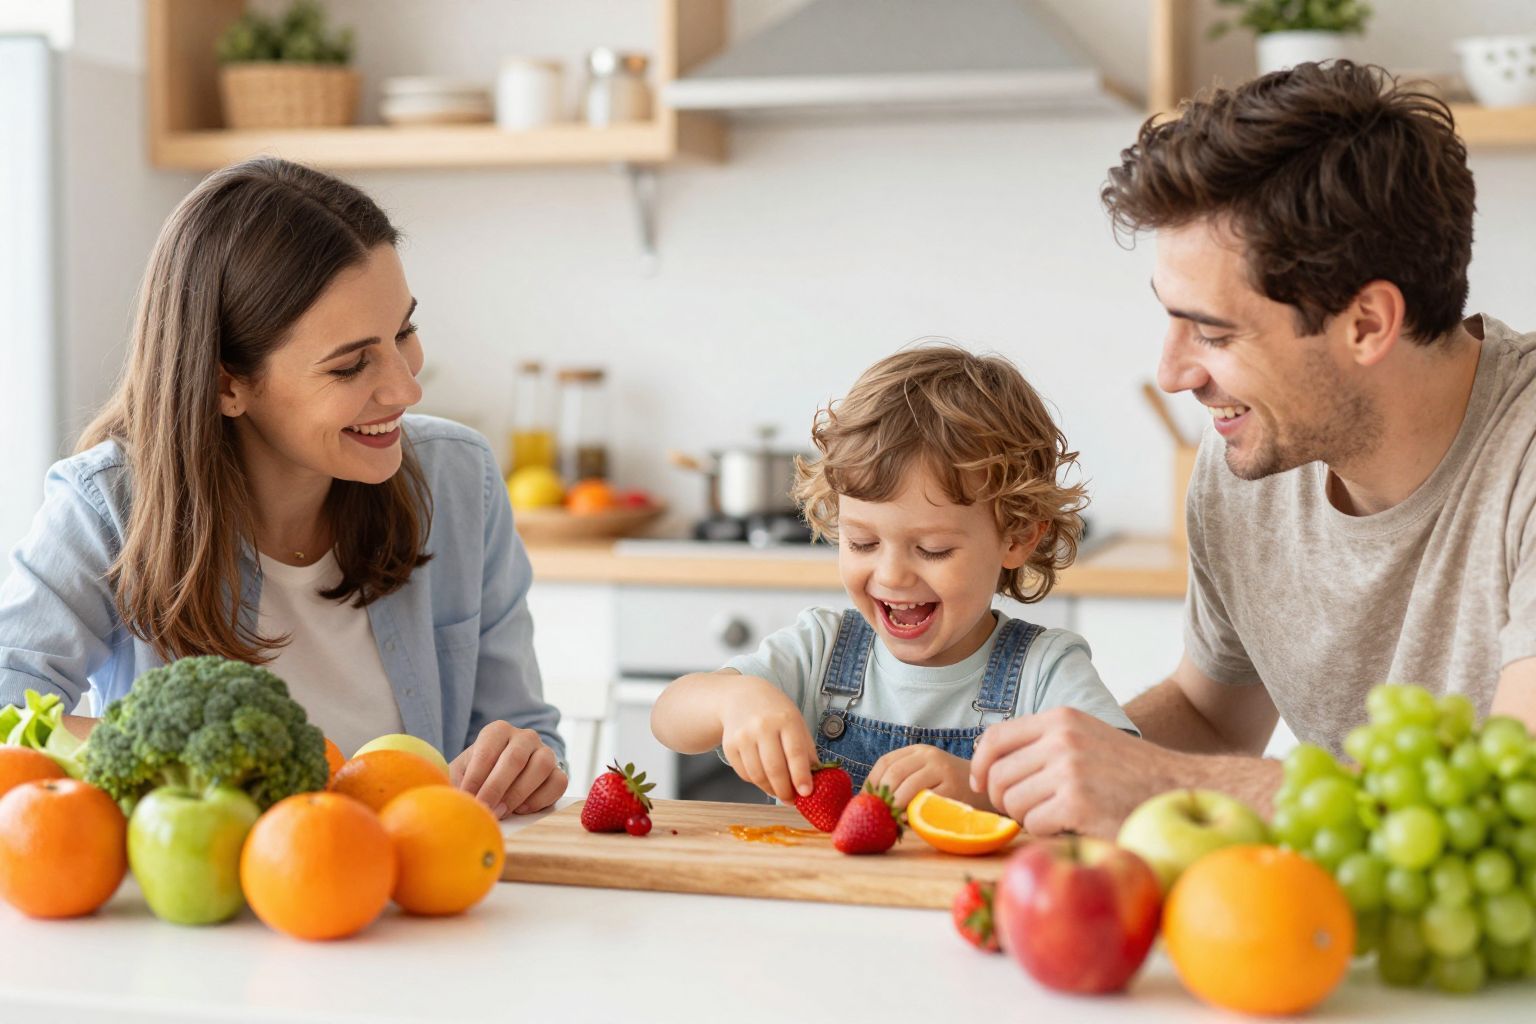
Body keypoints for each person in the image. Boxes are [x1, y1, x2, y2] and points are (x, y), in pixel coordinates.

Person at [971, 61, 1536, 838]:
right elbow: (1212, 718)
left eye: (1212, 331)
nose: (1172, 373)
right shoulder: (1250, 464)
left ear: (1367, 323)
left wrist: (1156, 783)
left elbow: (1511, 806)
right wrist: (1007, 777)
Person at [0, 157, 568, 818]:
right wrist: (173, 753)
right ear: (226, 384)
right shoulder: (109, 506)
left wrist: (526, 763)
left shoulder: (458, 480)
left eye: (404, 333)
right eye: (352, 363)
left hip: (415, 902)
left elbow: (531, 742)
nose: (407, 389)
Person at [650, 345, 1136, 808]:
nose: (891, 575)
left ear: (1017, 537)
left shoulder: (1045, 671)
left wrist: (980, 790)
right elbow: (668, 718)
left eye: (932, 549)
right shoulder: (820, 649)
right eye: (862, 543)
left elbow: (1117, 784)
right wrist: (735, 697)